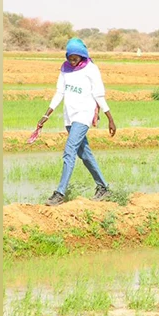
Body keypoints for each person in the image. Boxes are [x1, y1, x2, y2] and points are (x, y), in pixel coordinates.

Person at [38, 38, 116, 206]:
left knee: (69, 151)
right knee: (85, 154)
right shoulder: (65, 69)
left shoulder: (91, 69)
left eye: (75, 58)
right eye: (70, 58)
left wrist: (110, 118)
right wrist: (46, 115)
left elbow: (98, 94)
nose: (72, 62)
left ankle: (60, 193)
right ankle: (103, 188)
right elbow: (59, 93)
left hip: (83, 115)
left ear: (82, 56)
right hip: (69, 116)